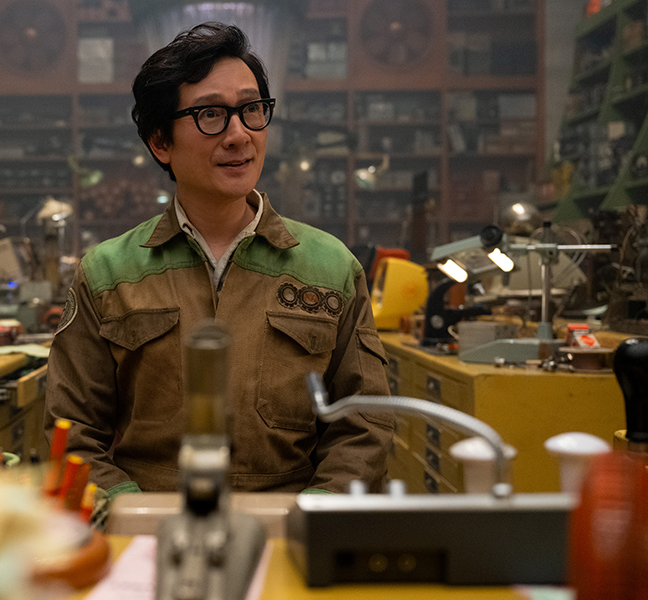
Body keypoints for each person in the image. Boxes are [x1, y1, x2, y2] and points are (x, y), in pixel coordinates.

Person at [45, 22, 392, 500]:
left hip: (288, 535)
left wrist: (313, 519)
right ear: (160, 141)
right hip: (149, 536)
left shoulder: (331, 268)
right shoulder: (107, 273)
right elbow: (73, 434)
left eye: (251, 110)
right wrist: (130, 520)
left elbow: (365, 424)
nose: (239, 135)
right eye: (211, 114)